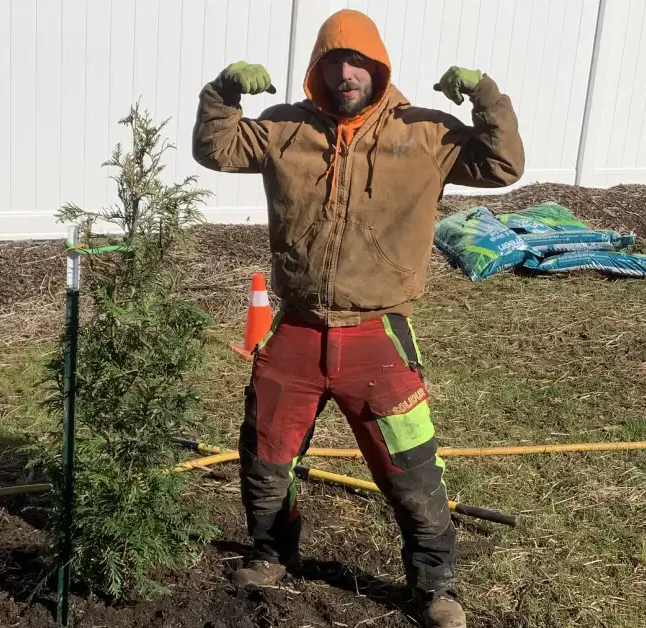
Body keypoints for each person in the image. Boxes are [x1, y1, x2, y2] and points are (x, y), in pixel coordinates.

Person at [192, 8, 524, 628]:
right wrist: (224, 91)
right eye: (333, 63)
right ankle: (271, 556)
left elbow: (503, 165)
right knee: (266, 458)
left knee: (412, 471)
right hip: (295, 328)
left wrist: (486, 97)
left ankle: (436, 588)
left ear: (378, 67)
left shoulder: (426, 134)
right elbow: (214, 148)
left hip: (379, 336)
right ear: (317, 71)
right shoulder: (283, 129)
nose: (346, 74)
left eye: (358, 63)